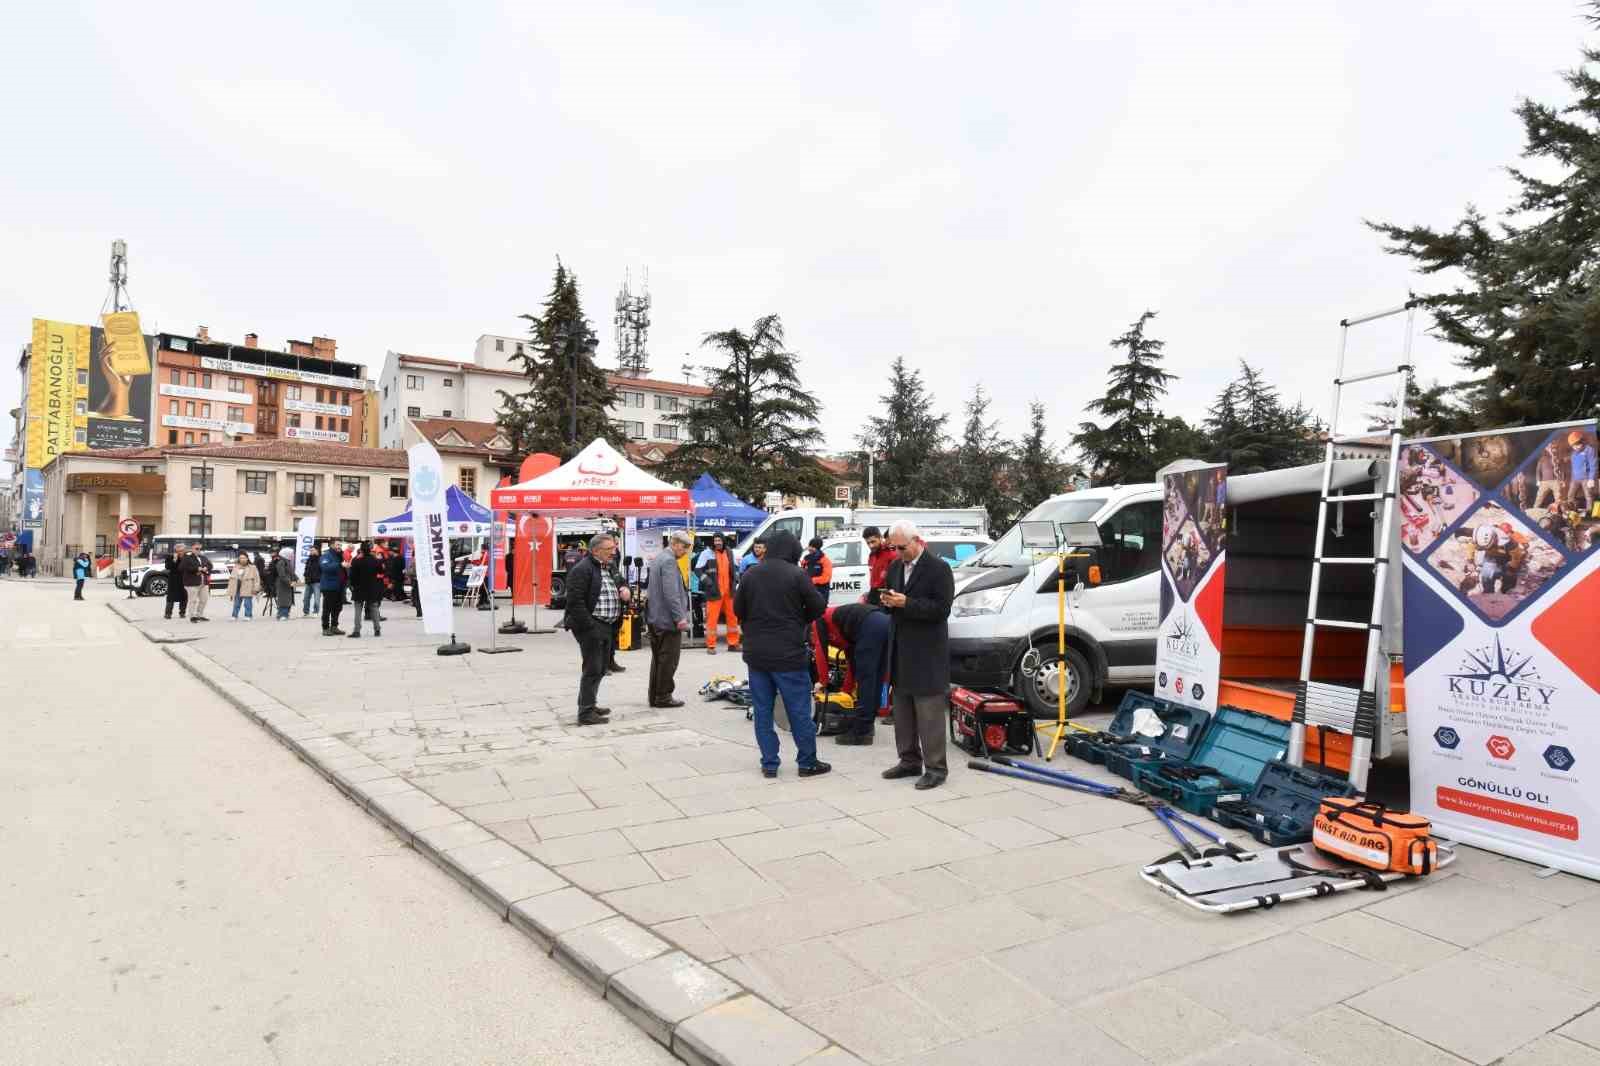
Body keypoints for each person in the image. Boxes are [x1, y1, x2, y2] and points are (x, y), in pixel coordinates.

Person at [732, 531, 830, 779]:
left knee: (762, 711)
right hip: (789, 655)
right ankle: (807, 762)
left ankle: (769, 763)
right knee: (798, 710)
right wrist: (799, 620)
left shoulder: (751, 573)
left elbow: (737, 609)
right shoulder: (797, 574)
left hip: (756, 656)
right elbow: (818, 606)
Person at [870, 521, 955, 790]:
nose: (897, 552)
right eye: (893, 547)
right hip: (900, 648)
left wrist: (906, 603)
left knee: (929, 713)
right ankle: (908, 760)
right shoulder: (895, 567)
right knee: (903, 711)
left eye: (902, 547)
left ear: (917, 541)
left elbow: (941, 609)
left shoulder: (938, 568)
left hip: (927, 651)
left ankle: (936, 768)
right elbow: (893, 603)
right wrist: (887, 602)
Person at [564, 533, 626, 725]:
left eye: (614, 549)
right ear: (596, 550)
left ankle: (590, 704)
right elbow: (575, 602)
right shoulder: (582, 569)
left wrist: (625, 588)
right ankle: (585, 713)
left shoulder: (609, 566)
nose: (613, 553)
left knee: (600, 669)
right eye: (609, 550)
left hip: (607, 624)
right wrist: (590, 627)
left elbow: (620, 581)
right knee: (592, 668)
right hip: (592, 625)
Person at [812, 603, 891, 746]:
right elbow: (852, 666)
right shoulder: (844, 627)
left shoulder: (818, 620)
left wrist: (822, 682)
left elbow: (821, 653)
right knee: (876, 675)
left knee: (866, 678)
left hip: (868, 625)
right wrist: (845, 693)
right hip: (885, 622)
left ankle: (861, 732)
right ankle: (868, 724)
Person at [646, 530, 694, 708]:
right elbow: (671, 593)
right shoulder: (668, 561)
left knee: (658, 659)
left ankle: (655, 695)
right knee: (668, 660)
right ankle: (663, 696)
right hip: (667, 620)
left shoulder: (659, 558)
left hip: (656, 617)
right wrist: (680, 618)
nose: (685, 552)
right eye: (685, 548)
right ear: (676, 544)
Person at [698, 534, 741, 654]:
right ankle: (711, 646)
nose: (717, 542)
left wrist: (736, 578)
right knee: (712, 619)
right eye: (715, 540)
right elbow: (697, 570)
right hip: (714, 592)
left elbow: (734, 567)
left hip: (729, 592)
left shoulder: (729, 552)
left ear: (723, 541)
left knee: (733, 619)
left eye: (719, 540)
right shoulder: (706, 553)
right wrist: (708, 582)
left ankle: (733, 644)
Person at [348, 541, 385, 638]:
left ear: (361, 550)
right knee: (374, 608)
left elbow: (352, 576)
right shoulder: (375, 560)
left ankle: (357, 631)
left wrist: (353, 585)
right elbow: (381, 571)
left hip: (359, 588)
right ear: (370, 550)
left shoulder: (356, 560)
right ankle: (377, 630)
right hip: (372, 587)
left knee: (358, 610)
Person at [319, 543, 347, 634]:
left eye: (340, 545)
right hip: (329, 586)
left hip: (340, 586)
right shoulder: (326, 555)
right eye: (337, 545)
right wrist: (339, 565)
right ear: (331, 546)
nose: (339, 547)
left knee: (338, 608)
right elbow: (325, 567)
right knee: (328, 608)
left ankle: (334, 626)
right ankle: (325, 628)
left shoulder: (340, 556)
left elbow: (343, 568)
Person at [863, 526, 897, 596]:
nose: (871, 546)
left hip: (886, 594)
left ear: (880, 538)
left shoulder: (891, 554)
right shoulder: (872, 555)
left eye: (873, 541)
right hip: (873, 592)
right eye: (868, 543)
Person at [1570, 431, 1597, 516]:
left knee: (1588, 496)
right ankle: (1573, 511)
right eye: (1573, 446)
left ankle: (1589, 513)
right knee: (1570, 495)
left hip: (1586, 478)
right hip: (1575, 478)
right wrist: (1572, 478)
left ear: (1582, 441)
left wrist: (1591, 478)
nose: (1576, 447)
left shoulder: (1589, 450)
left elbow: (1593, 464)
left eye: (1577, 444)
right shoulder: (1573, 453)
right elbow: (1574, 467)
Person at [226, 552, 261, 618]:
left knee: (247, 603)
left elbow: (257, 579)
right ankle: (234, 615)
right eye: (241, 558)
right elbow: (232, 579)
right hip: (237, 588)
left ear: (247, 558)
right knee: (236, 603)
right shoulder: (236, 567)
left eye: (244, 558)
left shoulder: (252, 567)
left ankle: (248, 615)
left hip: (248, 587)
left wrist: (256, 588)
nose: (242, 559)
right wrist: (230, 589)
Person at [189, 544, 213, 622]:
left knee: (204, 599)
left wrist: (206, 568)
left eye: (200, 549)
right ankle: (192, 617)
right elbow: (183, 567)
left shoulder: (203, 557)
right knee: (193, 600)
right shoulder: (188, 558)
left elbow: (210, 565)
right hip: (193, 582)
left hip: (204, 581)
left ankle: (199, 615)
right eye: (196, 548)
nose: (198, 550)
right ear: (192, 549)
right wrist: (197, 569)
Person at [302, 544, 323, 617]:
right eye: (310, 550)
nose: (310, 552)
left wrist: (320, 579)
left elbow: (323, 570)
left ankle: (315, 612)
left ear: (317, 551)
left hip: (317, 582)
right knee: (306, 598)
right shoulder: (309, 559)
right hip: (308, 582)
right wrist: (305, 576)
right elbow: (306, 569)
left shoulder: (321, 559)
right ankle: (306, 612)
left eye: (312, 550)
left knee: (317, 598)